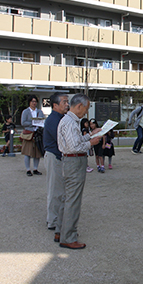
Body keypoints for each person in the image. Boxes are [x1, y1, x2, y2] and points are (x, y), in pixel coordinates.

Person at [57, 93, 102, 249]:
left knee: (67, 198)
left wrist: (90, 135)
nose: (86, 112)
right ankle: (68, 237)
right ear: (79, 106)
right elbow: (74, 147)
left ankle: (60, 231)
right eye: (86, 108)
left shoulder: (69, 121)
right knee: (73, 200)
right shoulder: (70, 122)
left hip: (71, 160)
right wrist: (91, 143)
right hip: (73, 161)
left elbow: (75, 141)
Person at [43, 92, 69, 237]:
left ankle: (57, 218)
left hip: (60, 157)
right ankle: (52, 220)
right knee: (55, 190)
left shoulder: (61, 118)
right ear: (55, 105)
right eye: (64, 102)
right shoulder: (53, 120)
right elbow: (62, 140)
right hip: (54, 157)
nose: (67, 104)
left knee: (60, 189)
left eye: (67, 102)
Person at [21, 95, 45, 176]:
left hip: (38, 133)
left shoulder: (39, 112)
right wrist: (33, 123)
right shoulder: (26, 112)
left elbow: (42, 121)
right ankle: (28, 169)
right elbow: (23, 122)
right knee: (27, 152)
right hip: (29, 133)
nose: (34, 103)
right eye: (32, 101)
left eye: (35, 101)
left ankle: (35, 168)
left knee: (37, 153)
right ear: (29, 102)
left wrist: (38, 123)